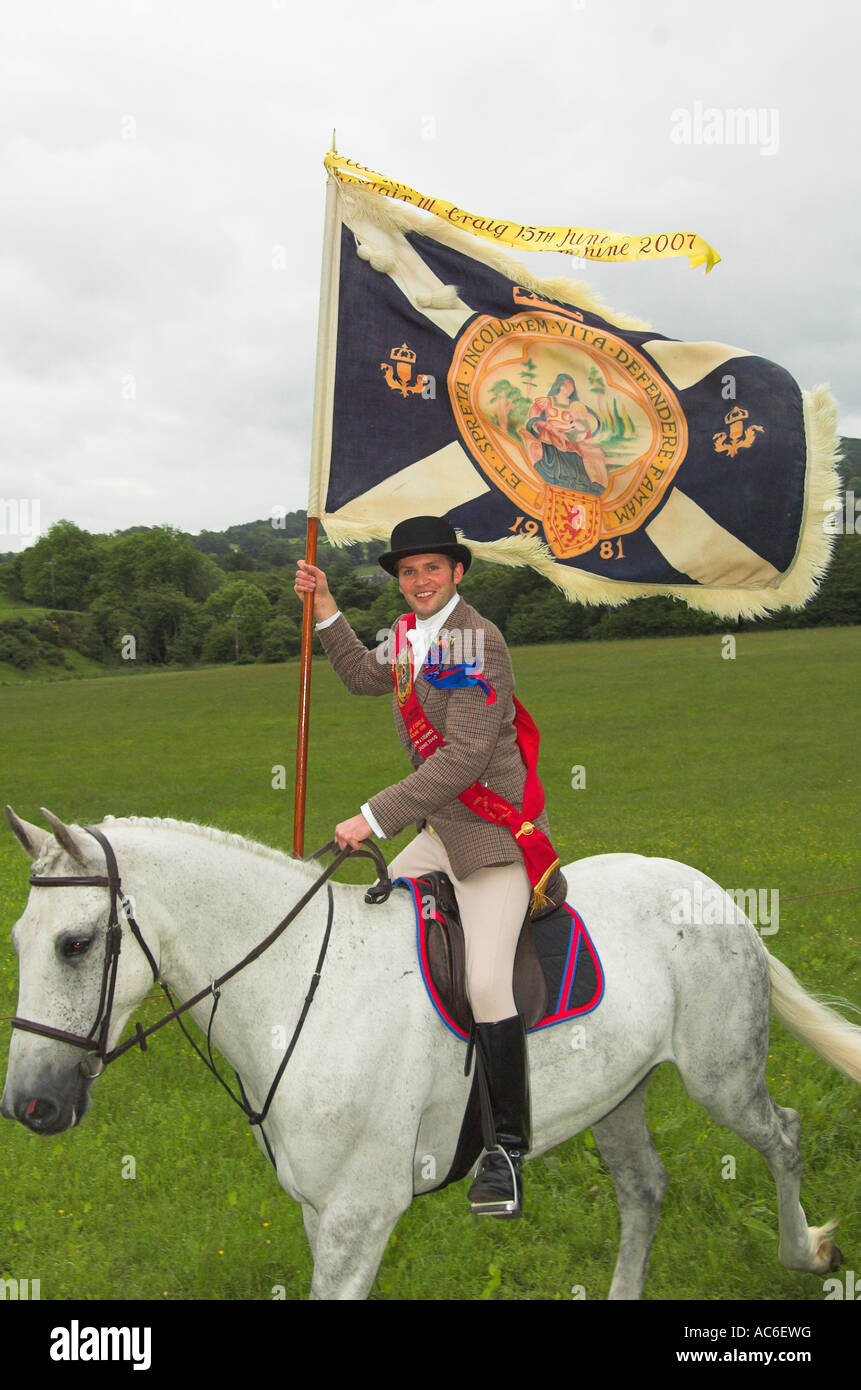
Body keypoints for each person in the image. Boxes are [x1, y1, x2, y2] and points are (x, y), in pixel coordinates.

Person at [294, 515, 557, 1218]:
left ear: (457, 573)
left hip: (489, 835)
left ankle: (505, 1148)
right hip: (440, 827)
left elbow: (466, 756)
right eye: (407, 572)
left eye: (430, 570)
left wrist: (373, 816)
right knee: (378, 934)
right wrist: (325, 608)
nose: (418, 582)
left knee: (484, 983)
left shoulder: (476, 640)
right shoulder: (409, 637)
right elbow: (358, 676)